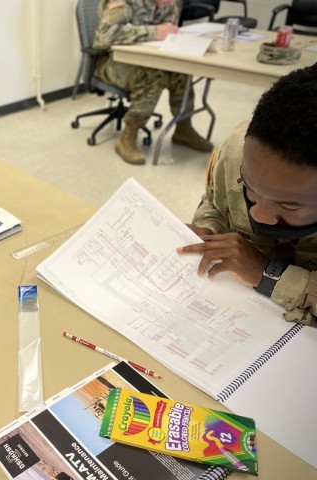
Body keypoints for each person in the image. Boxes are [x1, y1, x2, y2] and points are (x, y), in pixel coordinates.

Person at [178, 64, 317, 327]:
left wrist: (269, 275)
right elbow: (215, 202)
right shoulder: (238, 148)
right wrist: (208, 229)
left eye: (289, 205)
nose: (258, 214)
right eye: (250, 187)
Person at [92, 0, 213, 165]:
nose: (171, 3)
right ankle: (128, 136)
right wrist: (154, 32)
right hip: (111, 62)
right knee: (153, 75)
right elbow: (105, 36)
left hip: (149, 58)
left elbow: (169, 30)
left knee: (181, 72)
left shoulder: (171, 3)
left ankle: (183, 127)